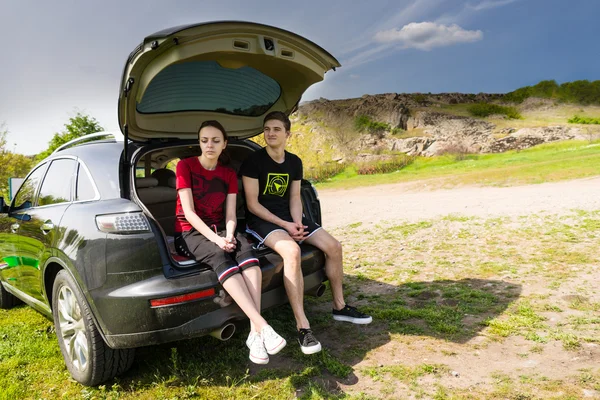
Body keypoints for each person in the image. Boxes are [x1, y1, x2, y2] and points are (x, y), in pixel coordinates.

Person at [241, 111, 372, 355]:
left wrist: (297, 222)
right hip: (261, 221)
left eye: (277, 129)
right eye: (267, 129)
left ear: (287, 134)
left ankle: (339, 307)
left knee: (334, 246)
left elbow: (294, 197)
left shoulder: (294, 162)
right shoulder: (253, 162)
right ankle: (303, 327)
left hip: (289, 218)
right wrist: (285, 226)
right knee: (292, 251)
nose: (270, 133)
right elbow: (252, 204)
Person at [174, 120, 286, 365]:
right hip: (189, 232)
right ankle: (262, 325)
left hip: (223, 228)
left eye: (215, 140)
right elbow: (190, 214)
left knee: (248, 254)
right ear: (199, 143)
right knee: (220, 256)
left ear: (224, 144)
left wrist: (229, 234)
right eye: (204, 140)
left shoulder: (228, 174)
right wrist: (217, 240)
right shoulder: (185, 166)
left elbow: (231, 215)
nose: (209, 145)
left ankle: (254, 335)